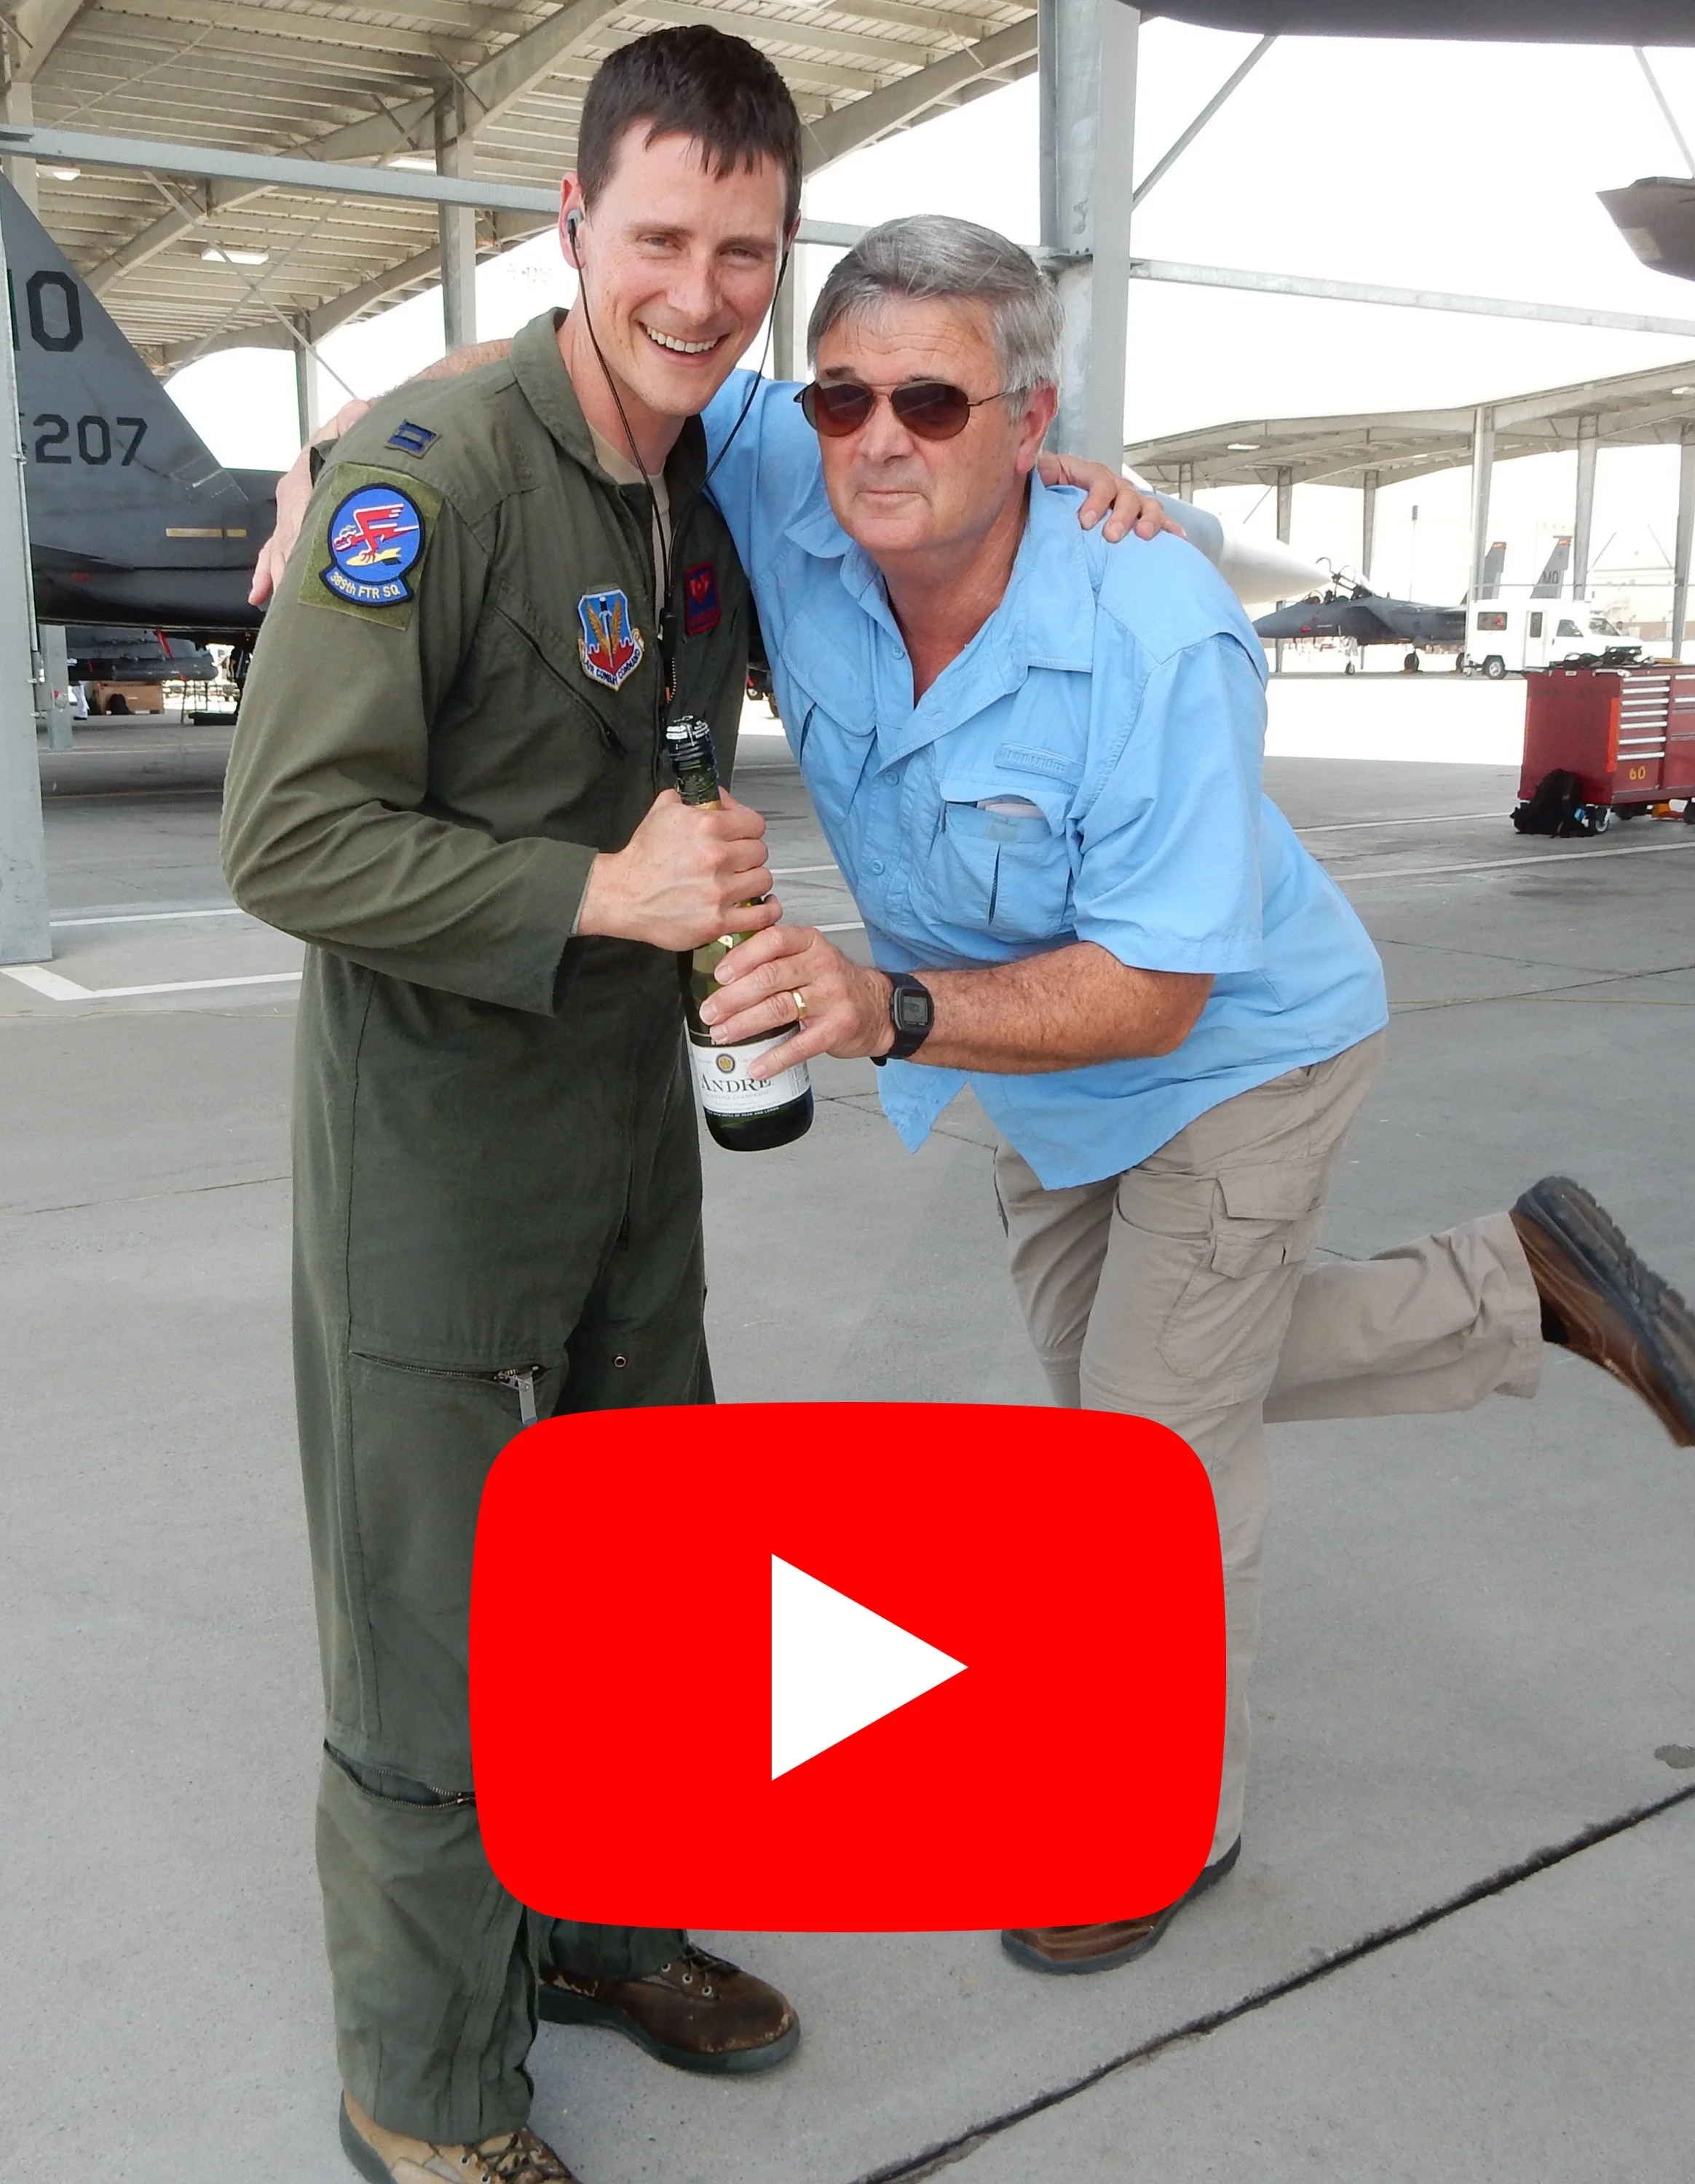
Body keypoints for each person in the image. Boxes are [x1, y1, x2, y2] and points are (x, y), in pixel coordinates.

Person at [229, 36, 1168, 2181]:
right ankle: (428, 2084)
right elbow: (285, 837)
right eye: (660, 238)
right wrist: (602, 886)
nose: (705, 289)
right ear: (573, 225)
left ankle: (601, 1926)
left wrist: (1091, 480)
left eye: (746, 249)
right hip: (435, 1169)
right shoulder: (431, 478)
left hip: (634, 1141)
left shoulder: (711, 467)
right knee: (433, 1629)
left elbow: (912, 450)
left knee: (646, 1584)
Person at [686, 215, 1695, 1974]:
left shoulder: (1154, 627)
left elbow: (1155, 993)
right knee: (1132, 1414)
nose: (877, 438)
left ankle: (1161, 1818)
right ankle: (1511, 1288)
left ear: (1028, 414)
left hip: (1235, 1049)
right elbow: (602, 365)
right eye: (843, 393)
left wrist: (882, 1004)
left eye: (933, 400)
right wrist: (348, 460)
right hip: (1032, 1070)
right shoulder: (803, 483)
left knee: (1149, 1464)